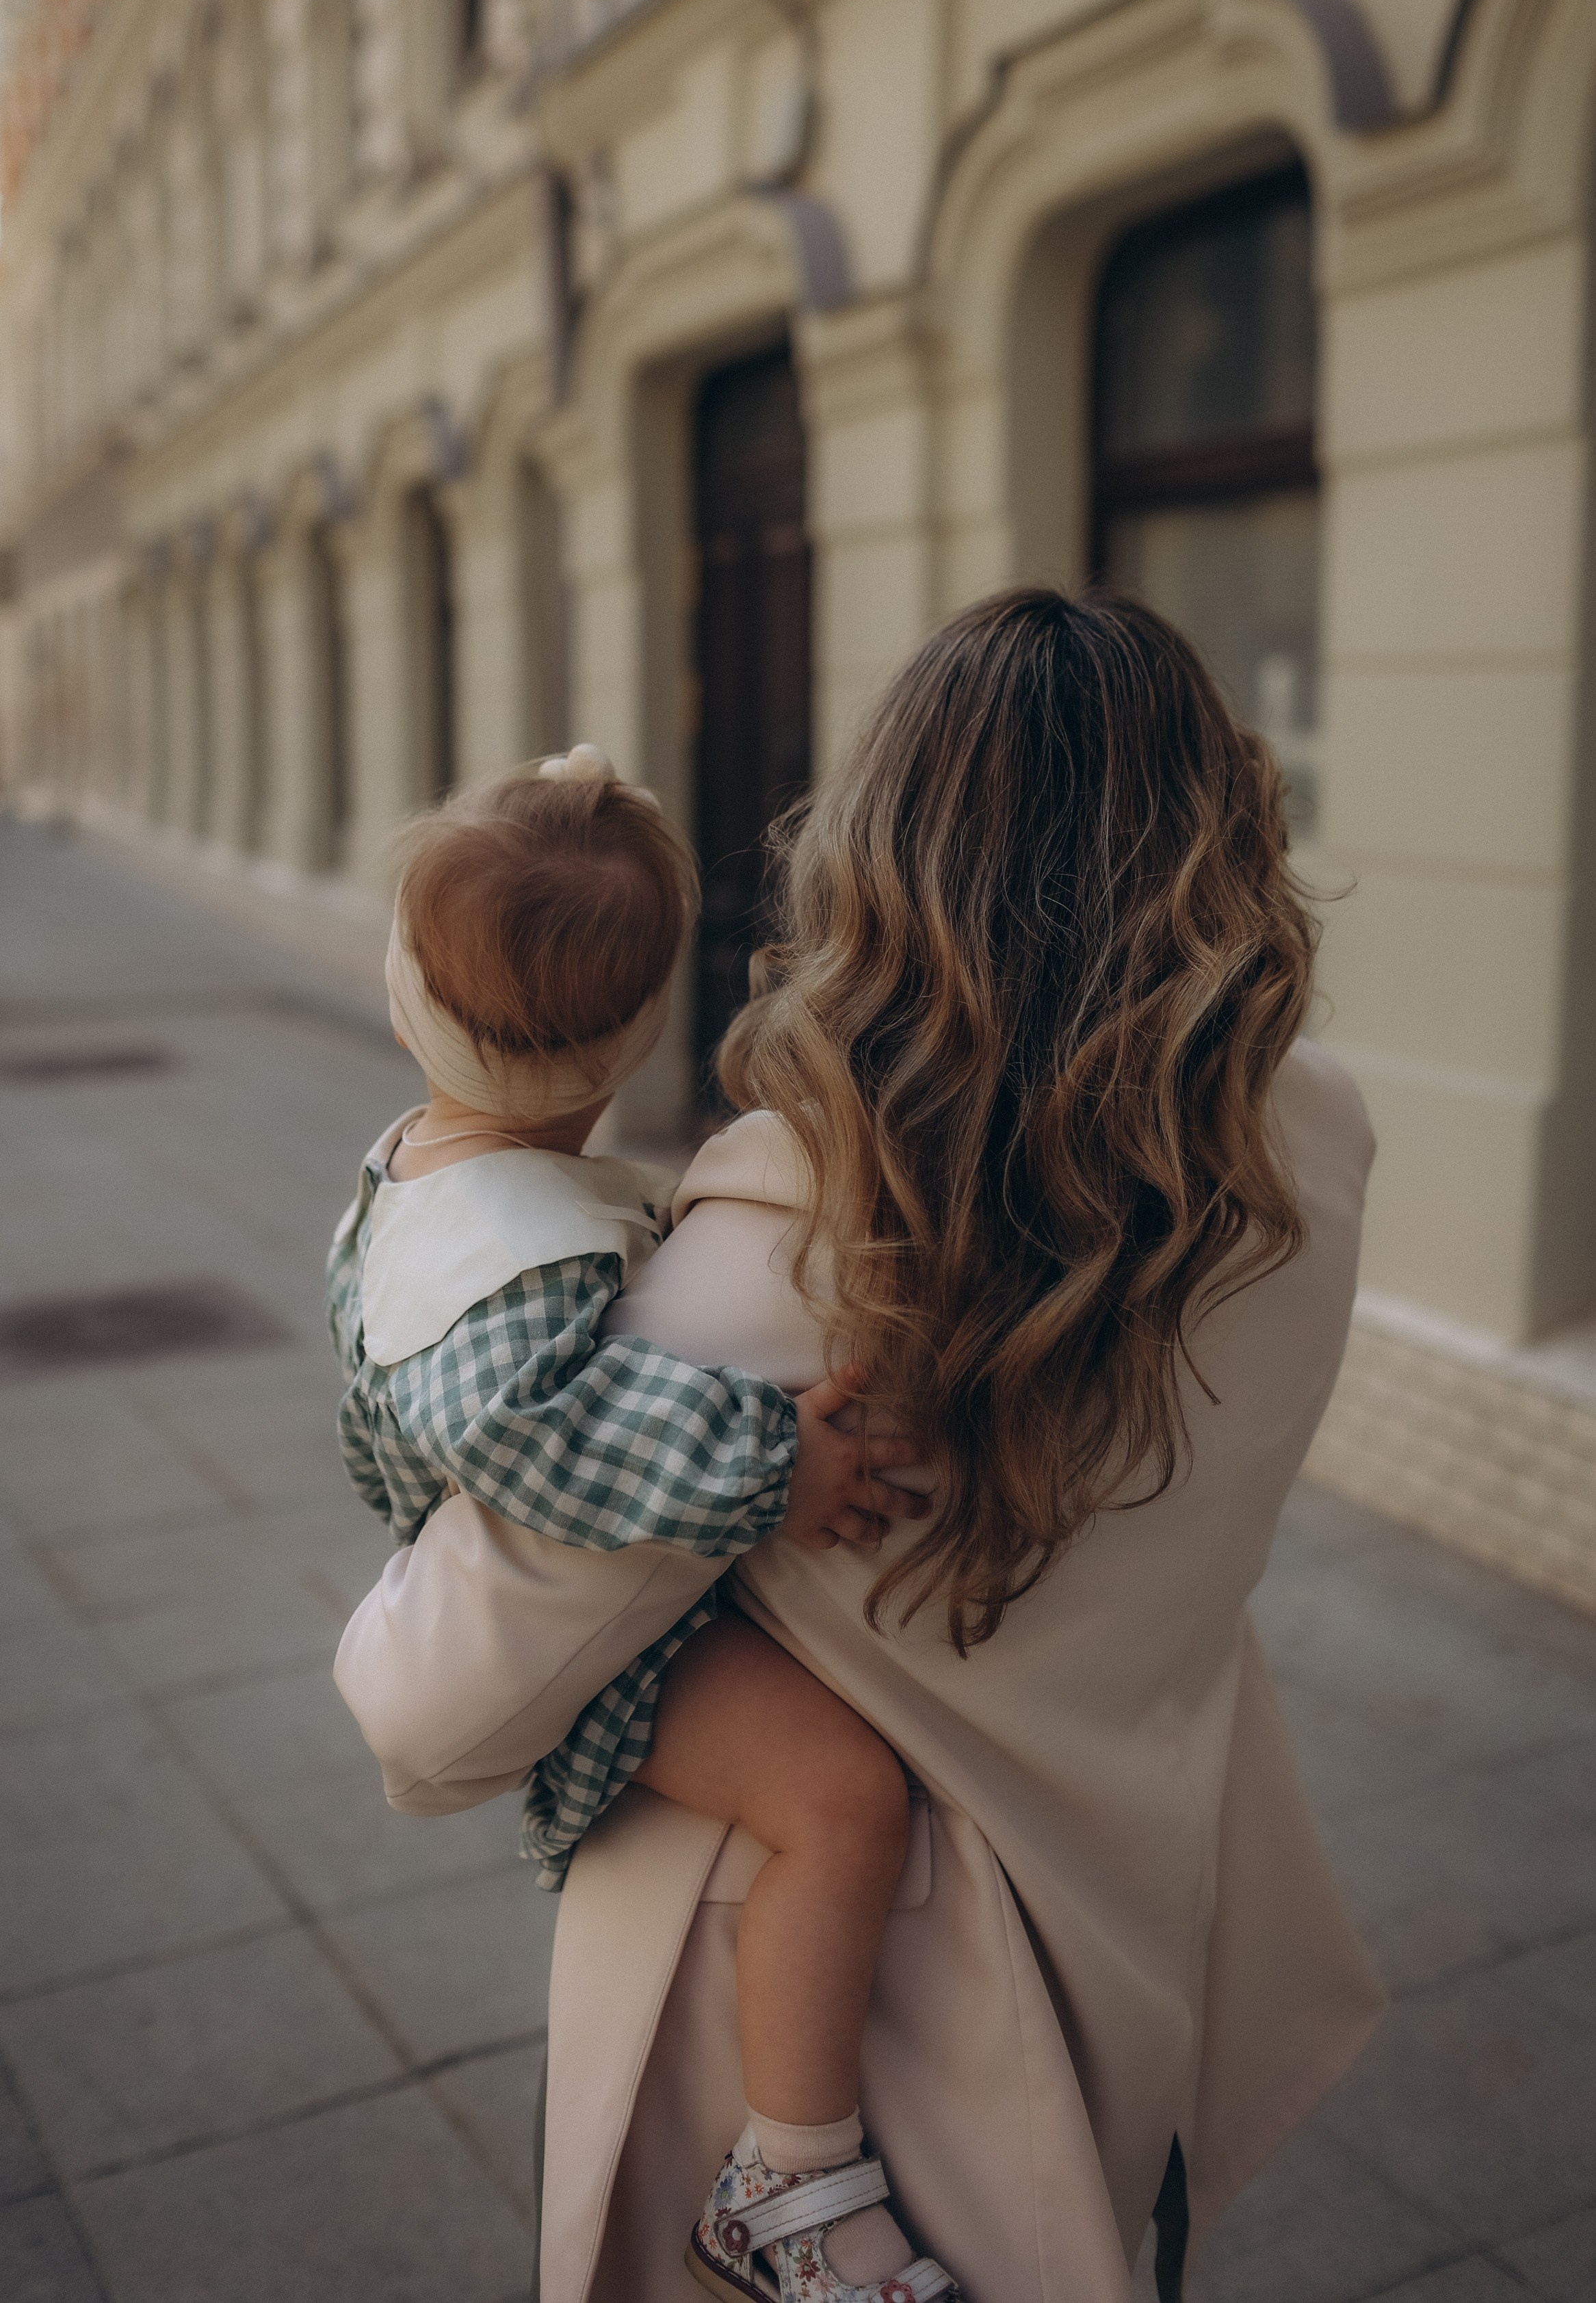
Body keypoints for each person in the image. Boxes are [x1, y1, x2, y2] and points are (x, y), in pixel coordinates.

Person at [337, 589, 1386, 2303]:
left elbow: (426, 1712)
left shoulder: (802, 1213)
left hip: (839, 2023)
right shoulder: (1307, 1127)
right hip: (1139, 1908)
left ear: (882, 852)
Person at [328, 746, 963, 2302]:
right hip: (610, 1659)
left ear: (402, 993)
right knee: (843, 1798)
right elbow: (520, 1430)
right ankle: (789, 2183)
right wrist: (775, 1467)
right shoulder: (510, 1247)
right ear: (638, 1033)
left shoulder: (438, 1167)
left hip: (560, 1595)